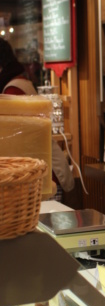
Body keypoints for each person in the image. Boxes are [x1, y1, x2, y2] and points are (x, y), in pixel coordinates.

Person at [0, 37, 75, 195]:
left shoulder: (13, 91)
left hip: (46, 177)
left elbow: (18, 143)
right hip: (40, 174)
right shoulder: (17, 83)